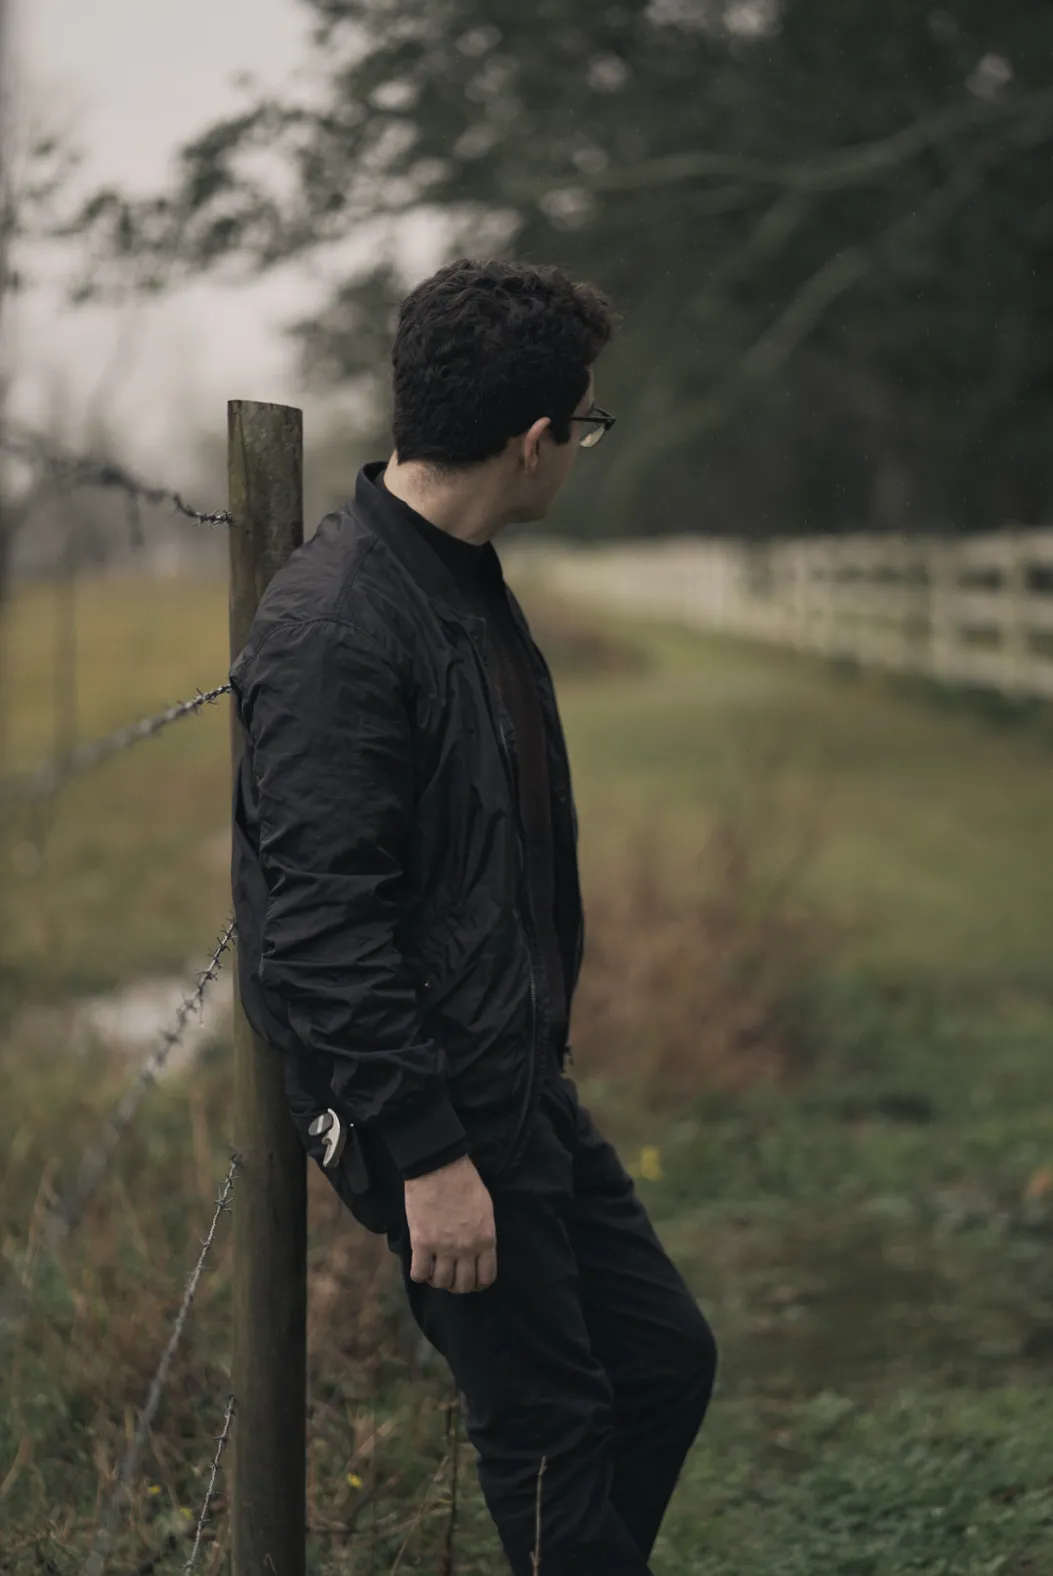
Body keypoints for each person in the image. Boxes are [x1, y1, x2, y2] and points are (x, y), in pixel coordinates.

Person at [229, 258, 716, 1575]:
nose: (582, 450)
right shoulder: (340, 629)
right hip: (431, 1105)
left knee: (664, 1363)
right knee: (549, 1433)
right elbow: (321, 933)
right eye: (586, 425)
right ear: (533, 439)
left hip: (509, 1076)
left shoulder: (457, 574)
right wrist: (431, 1159)